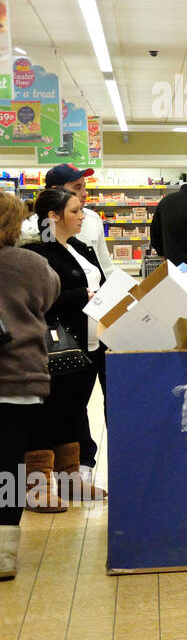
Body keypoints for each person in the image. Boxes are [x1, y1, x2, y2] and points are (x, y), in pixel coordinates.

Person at [25, 188, 109, 505]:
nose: (82, 216)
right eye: (75, 211)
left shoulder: (79, 247)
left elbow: (98, 281)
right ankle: (37, 486)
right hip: (57, 344)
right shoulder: (38, 253)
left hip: (89, 342)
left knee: (74, 412)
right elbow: (42, 299)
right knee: (49, 413)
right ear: (53, 216)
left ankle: (69, 479)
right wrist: (82, 298)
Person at [0, 192, 62, 576]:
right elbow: (49, 299)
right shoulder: (32, 264)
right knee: (7, 468)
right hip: (19, 380)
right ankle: (4, 551)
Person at [20, 164, 118, 280]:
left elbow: (105, 265)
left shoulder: (93, 219)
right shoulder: (30, 229)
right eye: (77, 187)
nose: (85, 193)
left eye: (84, 187)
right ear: (57, 191)